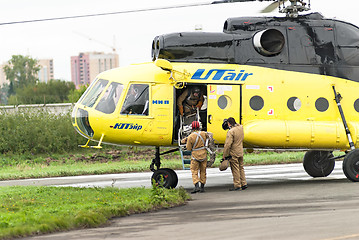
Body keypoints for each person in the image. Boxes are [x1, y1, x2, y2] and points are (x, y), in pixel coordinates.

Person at [181, 121, 208, 194]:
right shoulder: (204, 134)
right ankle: (202, 187)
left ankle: (196, 186)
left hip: (195, 156)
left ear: (192, 128)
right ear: (199, 127)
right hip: (204, 154)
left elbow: (189, 148)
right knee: (203, 171)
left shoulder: (191, 136)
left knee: (194, 171)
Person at [222, 117, 247, 191]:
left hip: (233, 152)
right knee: (241, 168)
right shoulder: (240, 128)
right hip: (240, 151)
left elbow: (227, 144)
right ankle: (244, 183)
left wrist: (224, 154)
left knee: (235, 169)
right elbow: (238, 125)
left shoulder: (231, 132)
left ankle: (237, 185)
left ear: (229, 124)